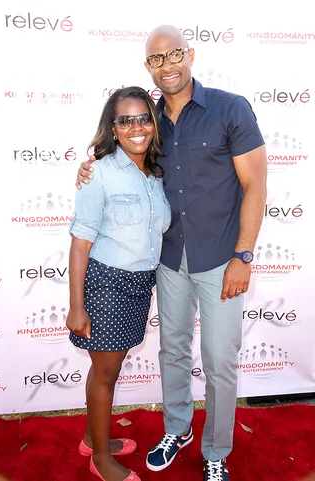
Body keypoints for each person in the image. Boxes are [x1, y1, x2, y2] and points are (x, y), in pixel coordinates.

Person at [76, 25, 267, 481]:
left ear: (190, 54)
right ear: (149, 67)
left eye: (175, 54)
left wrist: (243, 256)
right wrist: (90, 166)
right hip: (168, 259)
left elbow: (255, 184)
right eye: (157, 59)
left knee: (220, 358)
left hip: (222, 258)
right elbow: (123, 161)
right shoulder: (147, 119)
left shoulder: (230, 108)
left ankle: (216, 450)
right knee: (173, 351)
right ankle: (177, 429)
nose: (168, 65)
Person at [66, 86, 171, 481]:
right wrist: (77, 306)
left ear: (153, 122)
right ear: (113, 127)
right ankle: (101, 461)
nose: (136, 127)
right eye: (125, 120)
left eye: (143, 117)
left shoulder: (156, 174)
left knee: (105, 368)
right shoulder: (100, 173)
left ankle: (94, 440)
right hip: (107, 285)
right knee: (106, 373)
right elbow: (80, 244)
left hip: (140, 285)